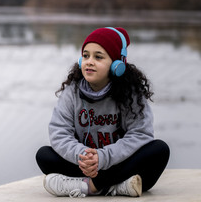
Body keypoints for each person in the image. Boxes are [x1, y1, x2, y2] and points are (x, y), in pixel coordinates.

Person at [35, 27, 170, 198]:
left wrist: (104, 156)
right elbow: (59, 133)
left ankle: (90, 187)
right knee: (44, 155)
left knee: (159, 150)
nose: (89, 61)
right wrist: (83, 156)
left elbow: (141, 134)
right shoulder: (72, 92)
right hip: (84, 165)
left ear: (116, 65)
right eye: (85, 55)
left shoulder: (131, 93)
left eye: (98, 57)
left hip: (119, 163)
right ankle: (117, 187)